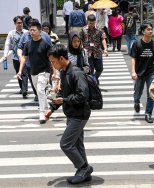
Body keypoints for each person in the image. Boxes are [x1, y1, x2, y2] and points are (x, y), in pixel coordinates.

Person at [46, 44, 93, 184]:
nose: (53, 65)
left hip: (79, 114)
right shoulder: (64, 71)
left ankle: (84, 168)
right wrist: (52, 108)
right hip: (72, 112)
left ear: (61, 58)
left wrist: (65, 100)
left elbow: (83, 95)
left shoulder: (75, 73)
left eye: (53, 62)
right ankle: (83, 173)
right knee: (77, 144)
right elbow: (61, 92)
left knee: (66, 143)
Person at [17, 20, 53, 124]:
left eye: (33, 30)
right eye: (30, 30)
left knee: (41, 90)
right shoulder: (28, 44)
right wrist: (19, 71)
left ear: (40, 31)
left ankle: (42, 112)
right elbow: (24, 58)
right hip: (33, 71)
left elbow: (52, 59)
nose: (31, 32)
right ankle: (46, 107)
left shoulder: (45, 44)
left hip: (44, 71)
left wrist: (54, 72)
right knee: (39, 91)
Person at [131, 23, 154, 123]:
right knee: (137, 92)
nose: (150, 31)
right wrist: (133, 72)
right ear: (143, 31)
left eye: (151, 29)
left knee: (150, 93)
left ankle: (148, 113)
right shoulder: (137, 43)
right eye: (148, 29)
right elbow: (133, 58)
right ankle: (136, 102)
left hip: (151, 72)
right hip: (139, 72)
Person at [2, 16, 29, 98]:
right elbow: (7, 44)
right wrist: (5, 55)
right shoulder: (11, 33)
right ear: (15, 24)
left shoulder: (26, 32)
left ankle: (25, 89)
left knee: (24, 72)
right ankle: (22, 87)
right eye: (18, 23)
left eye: (21, 22)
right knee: (18, 72)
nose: (20, 24)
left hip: (25, 57)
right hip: (15, 57)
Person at [79, 14, 108, 85]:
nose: (91, 25)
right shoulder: (83, 29)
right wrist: (81, 48)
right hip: (88, 53)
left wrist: (105, 49)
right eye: (90, 23)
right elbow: (80, 40)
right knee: (90, 69)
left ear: (95, 22)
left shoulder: (99, 29)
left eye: (93, 23)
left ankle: (95, 77)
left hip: (97, 52)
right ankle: (92, 83)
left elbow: (103, 39)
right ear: (87, 22)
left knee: (100, 69)